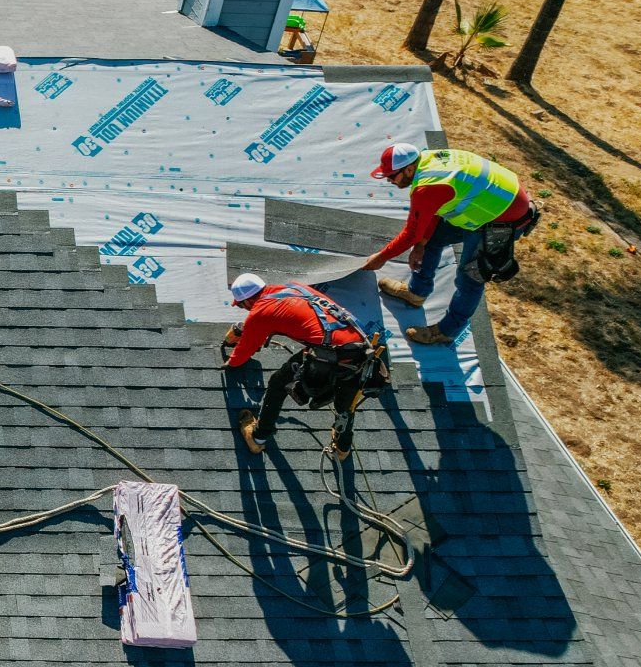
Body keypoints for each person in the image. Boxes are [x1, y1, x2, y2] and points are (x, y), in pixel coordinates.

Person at [362, 142, 539, 345]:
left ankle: (446, 331)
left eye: (392, 176)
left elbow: (411, 233)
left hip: (502, 217)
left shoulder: (427, 187)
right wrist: (421, 245)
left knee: (470, 277)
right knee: (431, 239)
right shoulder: (428, 162)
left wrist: (382, 257)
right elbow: (434, 213)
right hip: (487, 201)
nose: (389, 181)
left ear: (409, 169)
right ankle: (416, 293)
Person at [221, 273, 384, 459]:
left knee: (278, 383)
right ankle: (342, 449)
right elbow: (296, 319)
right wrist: (249, 331)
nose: (244, 310)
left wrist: (230, 363)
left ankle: (258, 439)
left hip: (331, 354)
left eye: (241, 305)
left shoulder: (259, 313)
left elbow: (242, 354)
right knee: (345, 407)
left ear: (248, 301)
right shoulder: (295, 288)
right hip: (360, 349)